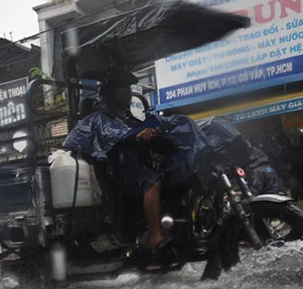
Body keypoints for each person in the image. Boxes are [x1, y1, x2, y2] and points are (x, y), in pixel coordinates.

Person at [63, 68, 211, 253]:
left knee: (182, 172)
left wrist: (155, 134)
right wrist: (133, 137)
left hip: (142, 165)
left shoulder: (131, 119)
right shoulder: (96, 120)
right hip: (120, 174)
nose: (127, 91)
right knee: (152, 181)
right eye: (121, 87)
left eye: (128, 86)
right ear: (110, 93)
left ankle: (189, 228)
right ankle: (156, 237)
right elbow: (90, 144)